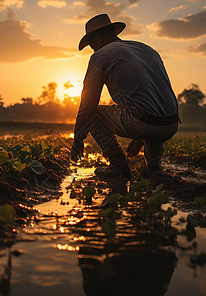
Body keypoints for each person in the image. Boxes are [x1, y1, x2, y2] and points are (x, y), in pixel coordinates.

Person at [71, 14, 179, 182]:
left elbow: (88, 105)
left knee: (95, 114)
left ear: (98, 37)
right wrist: (138, 138)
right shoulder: (146, 49)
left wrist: (78, 137)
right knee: (153, 169)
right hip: (170, 124)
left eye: (91, 45)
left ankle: (118, 167)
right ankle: (154, 169)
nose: (92, 50)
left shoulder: (100, 56)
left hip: (145, 124)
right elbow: (148, 98)